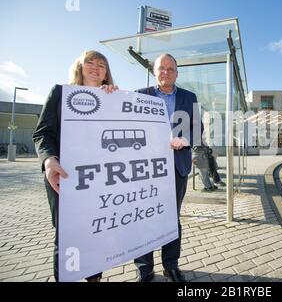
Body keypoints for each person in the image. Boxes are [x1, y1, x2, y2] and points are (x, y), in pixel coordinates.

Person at [32, 50, 117, 282]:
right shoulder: (60, 93)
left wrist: (116, 100)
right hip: (64, 176)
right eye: (89, 62)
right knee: (68, 234)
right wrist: (49, 160)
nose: (95, 67)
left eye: (102, 64)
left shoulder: (113, 98)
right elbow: (42, 133)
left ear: (106, 73)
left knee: (95, 231)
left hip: (99, 178)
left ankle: (94, 277)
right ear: (79, 67)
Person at [134, 53, 203, 282]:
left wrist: (186, 140)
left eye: (170, 69)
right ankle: (145, 269)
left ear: (177, 72)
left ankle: (170, 265)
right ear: (154, 71)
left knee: (171, 217)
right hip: (145, 169)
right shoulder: (139, 96)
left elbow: (197, 129)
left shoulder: (189, 97)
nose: (166, 72)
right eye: (161, 68)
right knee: (144, 216)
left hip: (176, 166)